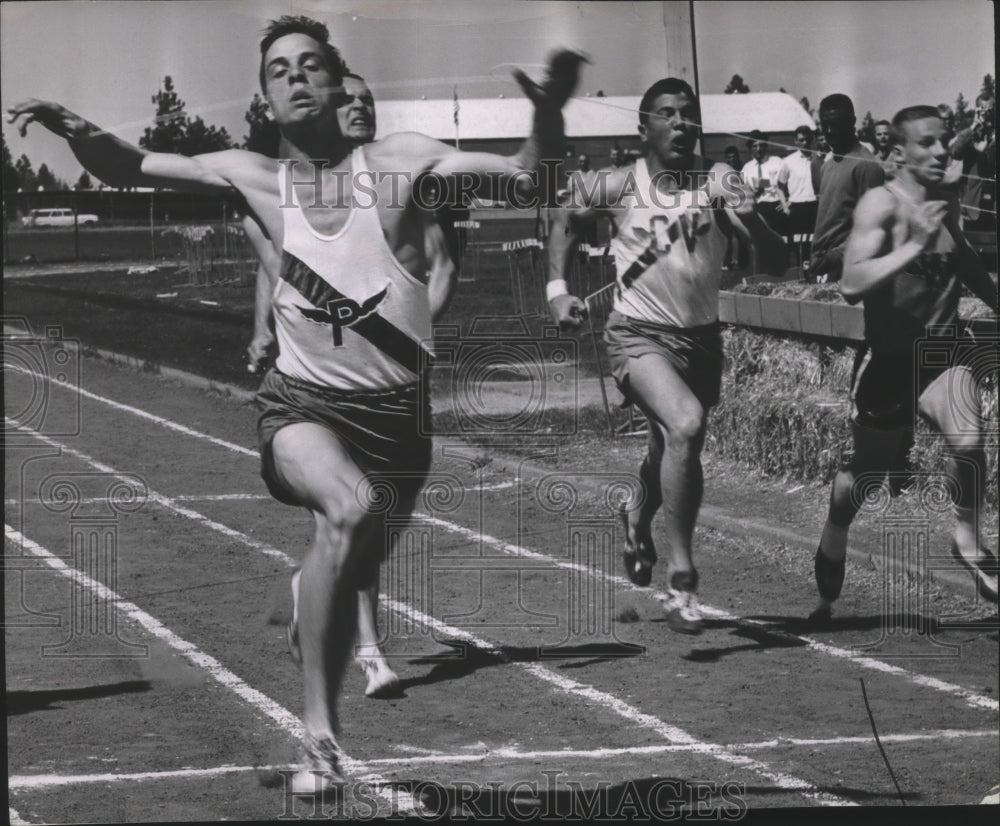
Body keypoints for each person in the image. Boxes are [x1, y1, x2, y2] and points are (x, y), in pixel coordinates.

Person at [9, 15, 585, 794]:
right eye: (280, 70)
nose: (297, 77)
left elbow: (526, 178)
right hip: (300, 407)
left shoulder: (403, 166)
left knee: (348, 562)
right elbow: (127, 163)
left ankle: (312, 602)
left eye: (312, 64)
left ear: (337, 81)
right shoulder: (253, 176)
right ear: (266, 98)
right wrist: (76, 129)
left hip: (398, 422)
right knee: (344, 512)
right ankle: (319, 733)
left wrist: (547, 115)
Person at [244, 71, 462, 701]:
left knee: (370, 523)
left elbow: (443, 266)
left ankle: (310, 588)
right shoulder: (283, 194)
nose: (361, 108)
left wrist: (411, 330)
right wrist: (262, 329)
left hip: (391, 385)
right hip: (316, 388)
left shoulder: (404, 181)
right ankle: (369, 651)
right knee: (345, 507)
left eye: (369, 100)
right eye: (350, 100)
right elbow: (278, 271)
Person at [546, 78, 787, 634]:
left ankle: (636, 515)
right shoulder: (617, 182)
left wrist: (753, 218)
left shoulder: (720, 181)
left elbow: (773, 259)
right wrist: (557, 288)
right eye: (667, 114)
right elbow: (562, 212)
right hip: (637, 335)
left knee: (668, 447)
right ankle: (683, 581)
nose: (680, 123)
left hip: (701, 339)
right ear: (644, 127)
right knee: (685, 424)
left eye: (689, 115)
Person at [810, 105, 999, 622]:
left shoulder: (944, 199)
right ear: (898, 154)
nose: (942, 152)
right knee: (867, 480)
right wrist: (912, 243)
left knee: (971, 438)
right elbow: (851, 282)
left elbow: (963, 258)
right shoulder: (881, 203)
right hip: (890, 359)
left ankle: (966, 535)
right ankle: (834, 528)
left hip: (941, 352)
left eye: (944, 143)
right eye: (928, 144)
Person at [809, 93, 885, 282]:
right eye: (824, 125)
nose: (829, 131)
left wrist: (833, 258)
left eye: (836, 124)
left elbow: (872, 229)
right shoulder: (827, 163)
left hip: (849, 269)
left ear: (852, 122)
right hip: (823, 267)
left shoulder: (866, 166)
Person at [949, 92, 996, 231]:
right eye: (983, 109)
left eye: (990, 110)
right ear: (977, 110)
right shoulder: (970, 131)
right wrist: (974, 125)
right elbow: (954, 152)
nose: (986, 113)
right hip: (972, 206)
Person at [777, 125, 818, 266]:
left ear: (811, 139)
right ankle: (800, 275)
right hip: (797, 208)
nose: (804, 143)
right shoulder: (788, 161)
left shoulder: (818, 158)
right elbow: (779, 187)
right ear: (795, 141)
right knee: (798, 245)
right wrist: (785, 206)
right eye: (801, 140)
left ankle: (816, 275)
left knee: (815, 243)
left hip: (815, 206)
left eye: (807, 139)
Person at [740, 129, 786, 236]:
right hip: (757, 209)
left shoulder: (777, 162)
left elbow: (788, 184)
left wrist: (786, 202)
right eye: (755, 146)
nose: (758, 149)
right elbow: (743, 192)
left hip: (776, 207)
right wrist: (753, 192)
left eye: (761, 145)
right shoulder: (747, 168)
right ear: (750, 148)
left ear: (766, 146)